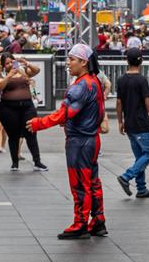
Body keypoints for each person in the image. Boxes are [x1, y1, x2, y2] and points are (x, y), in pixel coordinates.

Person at [29, 43, 106, 238]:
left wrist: (39, 123)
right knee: (93, 181)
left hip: (80, 141)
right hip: (91, 139)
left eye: (72, 59)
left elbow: (64, 113)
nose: (68, 63)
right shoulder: (93, 81)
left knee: (80, 183)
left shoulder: (81, 86)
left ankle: (80, 224)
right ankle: (97, 220)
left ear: (83, 62)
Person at [114, 48, 149, 197]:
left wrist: (120, 122)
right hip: (142, 125)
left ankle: (141, 189)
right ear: (141, 61)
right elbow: (148, 103)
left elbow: (118, 103)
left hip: (129, 125)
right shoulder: (141, 80)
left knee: (139, 157)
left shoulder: (121, 80)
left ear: (127, 61)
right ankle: (126, 176)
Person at [0, 54, 43, 172]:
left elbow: (37, 70)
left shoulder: (22, 71)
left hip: (27, 106)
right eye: (7, 63)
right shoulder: (1, 75)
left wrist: (26, 63)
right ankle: (15, 163)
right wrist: (9, 76)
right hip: (8, 109)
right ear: (3, 65)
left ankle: (37, 161)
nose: (10, 64)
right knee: (13, 136)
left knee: (31, 133)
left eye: (12, 61)